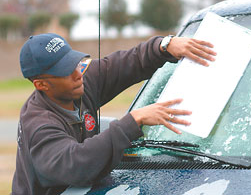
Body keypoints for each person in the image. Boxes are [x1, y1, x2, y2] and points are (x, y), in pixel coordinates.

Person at [11, 33, 216, 195]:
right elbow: (77, 164)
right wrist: (133, 121)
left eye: (75, 63)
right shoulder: (39, 125)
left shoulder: (78, 82)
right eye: (66, 71)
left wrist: (163, 46)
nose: (77, 74)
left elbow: (124, 64)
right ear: (42, 84)